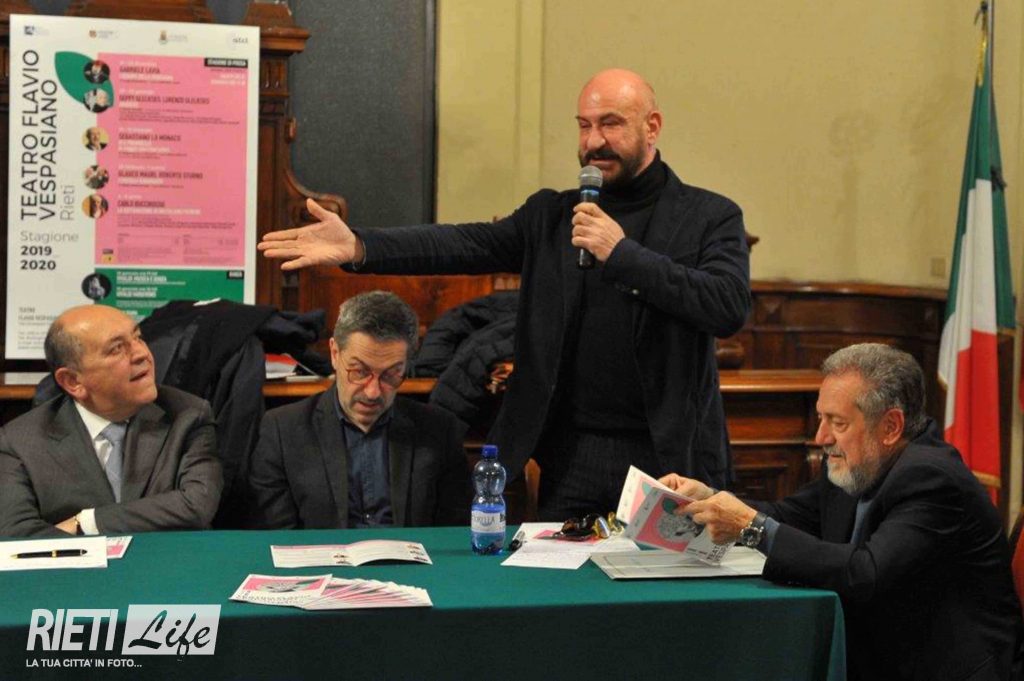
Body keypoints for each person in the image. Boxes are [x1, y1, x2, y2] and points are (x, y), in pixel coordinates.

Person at [259, 68, 750, 520]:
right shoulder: (553, 216)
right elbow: (462, 244)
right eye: (584, 125)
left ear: (652, 126)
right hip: (571, 455)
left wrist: (621, 254)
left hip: (669, 458)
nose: (593, 141)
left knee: (668, 587)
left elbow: (726, 306)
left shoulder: (709, 217)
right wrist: (361, 246)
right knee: (560, 583)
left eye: (611, 124)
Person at [660, 343, 1023, 681]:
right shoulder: (858, 461)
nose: (821, 438)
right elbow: (786, 515)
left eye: (838, 423)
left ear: (891, 426)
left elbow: (865, 573)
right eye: (821, 419)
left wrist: (749, 527)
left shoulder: (932, 478)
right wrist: (710, 500)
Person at [248, 291, 469, 529]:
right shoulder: (282, 431)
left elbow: (453, 532)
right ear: (335, 354)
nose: (373, 392)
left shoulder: (439, 431)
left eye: (391, 374)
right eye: (360, 372)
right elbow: (277, 536)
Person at [0, 305, 223, 537]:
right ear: (73, 381)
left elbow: (197, 504)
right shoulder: (19, 442)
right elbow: (15, 535)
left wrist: (87, 522)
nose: (142, 354)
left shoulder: (188, 415)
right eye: (117, 348)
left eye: (138, 338)